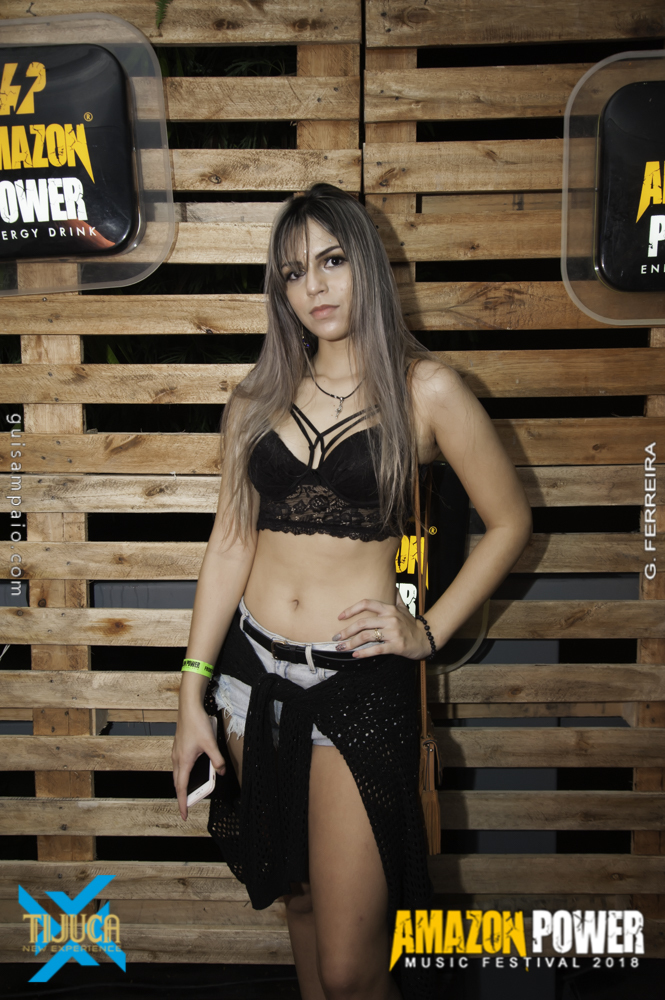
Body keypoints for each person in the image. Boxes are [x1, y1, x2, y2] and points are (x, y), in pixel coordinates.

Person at [171, 183, 532, 1000]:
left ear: (364, 264)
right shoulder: (256, 398)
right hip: (250, 682)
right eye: (295, 272)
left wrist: (426, 631)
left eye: (332, 261)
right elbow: (229, 544)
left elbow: (510, 521)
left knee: (350, 970)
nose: (316, 286)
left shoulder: (425, 390)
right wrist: (191, 691)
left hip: (356, 685)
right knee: (297, 901)